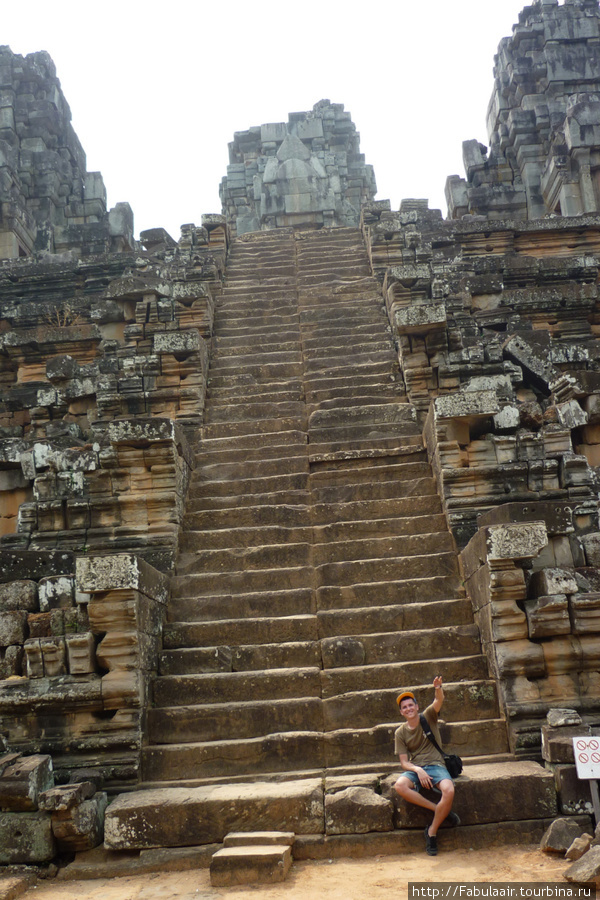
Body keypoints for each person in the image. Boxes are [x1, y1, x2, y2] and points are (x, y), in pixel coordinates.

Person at [394, 676, 459, 856]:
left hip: (437, 765)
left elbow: (438, 700)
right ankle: (439, 810)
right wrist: (417, 769)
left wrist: (438, 688)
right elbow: (404, 762)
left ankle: (431, 832)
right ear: (401, 712)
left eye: (410, 705)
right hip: (417, 768)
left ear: (416, 707)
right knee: (399, 786)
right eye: (404, 707)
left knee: (449, 790)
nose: (408, 709)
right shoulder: (400, 732)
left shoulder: (428, 716)